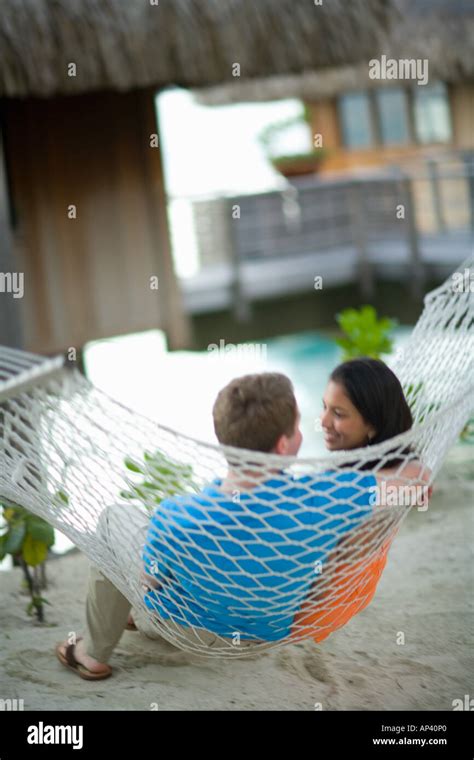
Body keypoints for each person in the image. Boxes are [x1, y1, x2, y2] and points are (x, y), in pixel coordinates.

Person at [55, 368, 429, 679]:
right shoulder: (329, 498)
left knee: (117, 517)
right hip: (266, 634)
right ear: (284, 445)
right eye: (299, 425)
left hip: (179, 626)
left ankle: (92, 653)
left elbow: (149, 579)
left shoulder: (177, 514)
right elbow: (415, 480)